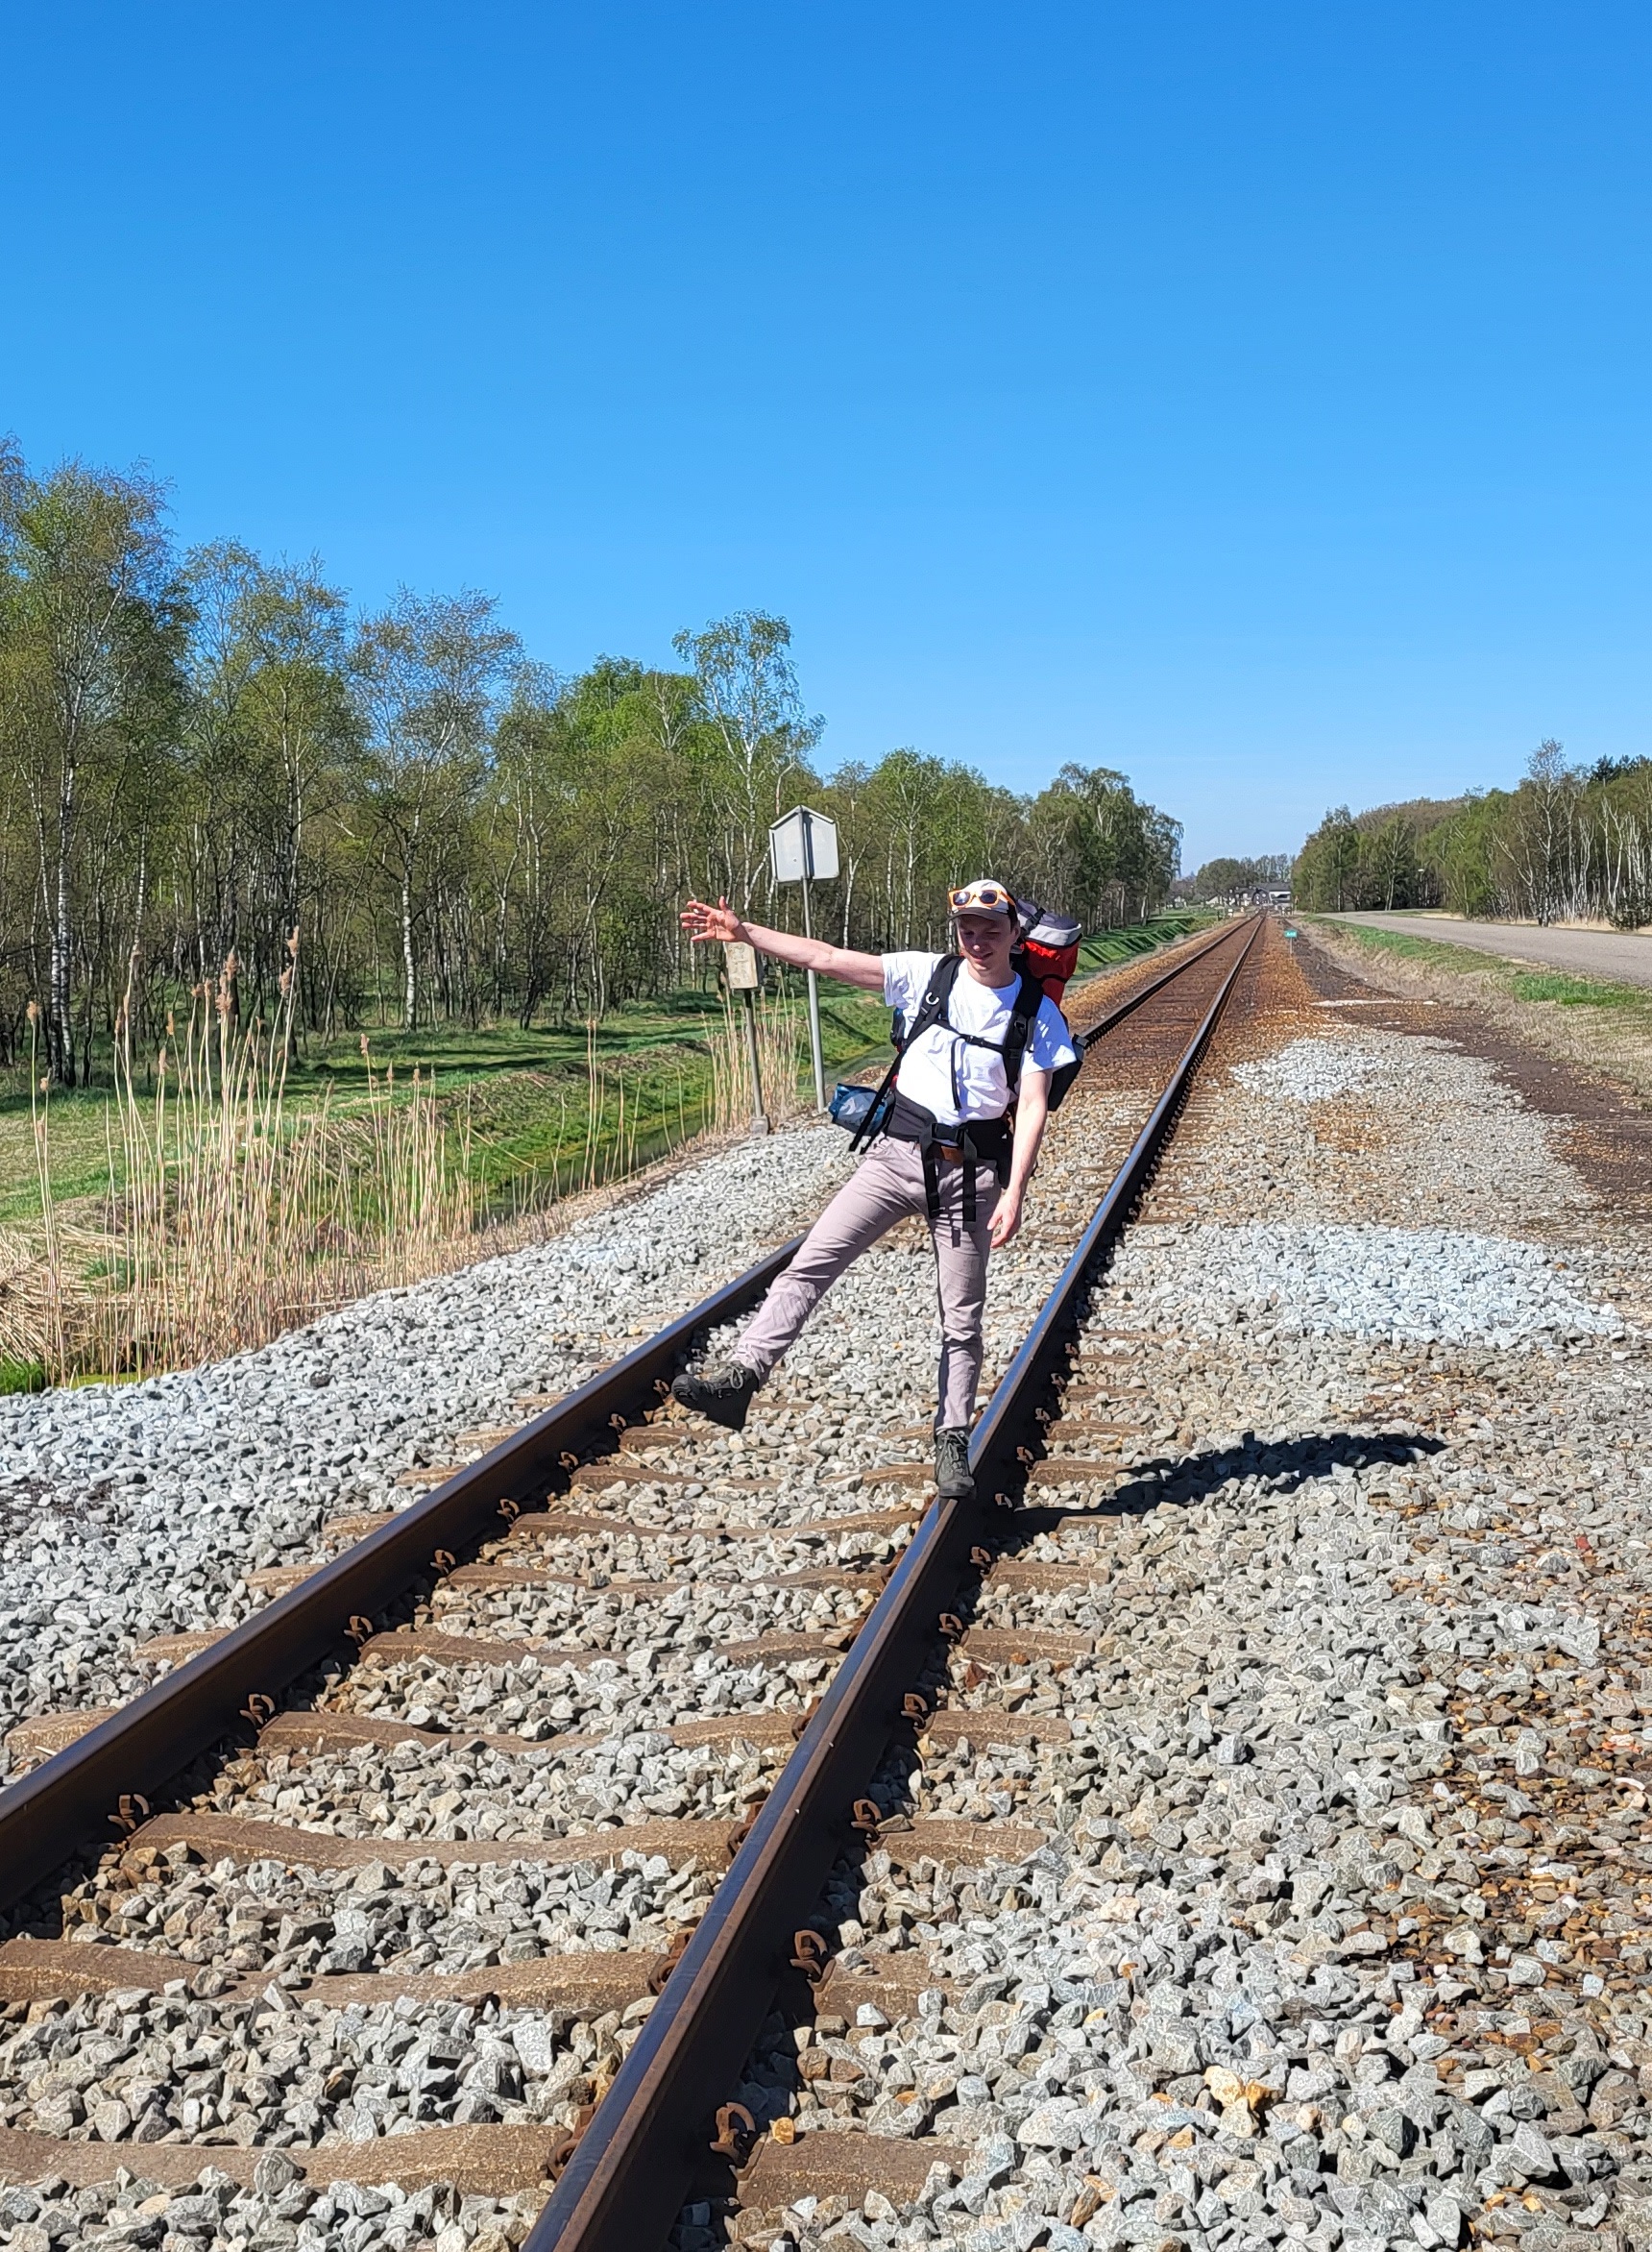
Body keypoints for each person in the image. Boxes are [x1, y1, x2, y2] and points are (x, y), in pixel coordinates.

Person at [671, 879, 1078, 1499]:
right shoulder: (926, 975)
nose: (977, 940)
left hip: (972, 1176)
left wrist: (1017, 1190)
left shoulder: (1035, 1014)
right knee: (810, 1263)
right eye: (967, 928)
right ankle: (743, 1375)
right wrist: (745, 932)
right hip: (894, 1158)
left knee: (961, 1319)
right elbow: (828, 958)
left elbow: (1033, 1108)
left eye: (991, 930)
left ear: (1014, 935)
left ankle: (951, 1441)